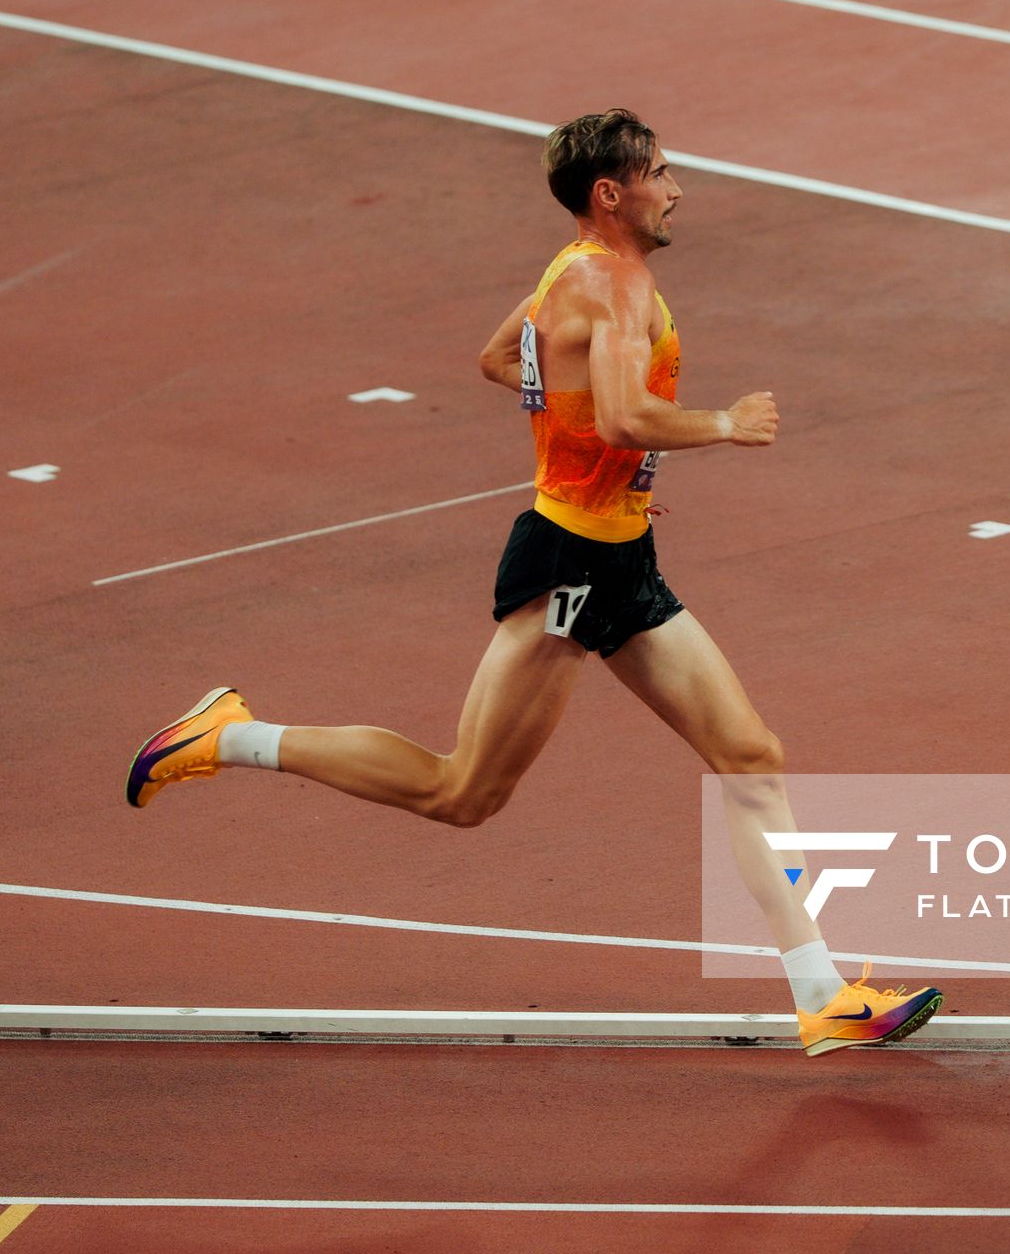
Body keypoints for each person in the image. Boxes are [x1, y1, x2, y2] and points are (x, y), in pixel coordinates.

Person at [125, 109, 939, 1057]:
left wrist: (592, 466)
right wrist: (722, 423)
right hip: (570, 570)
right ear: (612, 192)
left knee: (751, 757)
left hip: (615, 555)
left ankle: (823, 997)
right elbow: (632, 413)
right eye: (662, 174)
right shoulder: (616, 285)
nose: (675, 189)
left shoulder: (571, 271)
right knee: (460, 793)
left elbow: (501, 359)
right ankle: (231, 736)